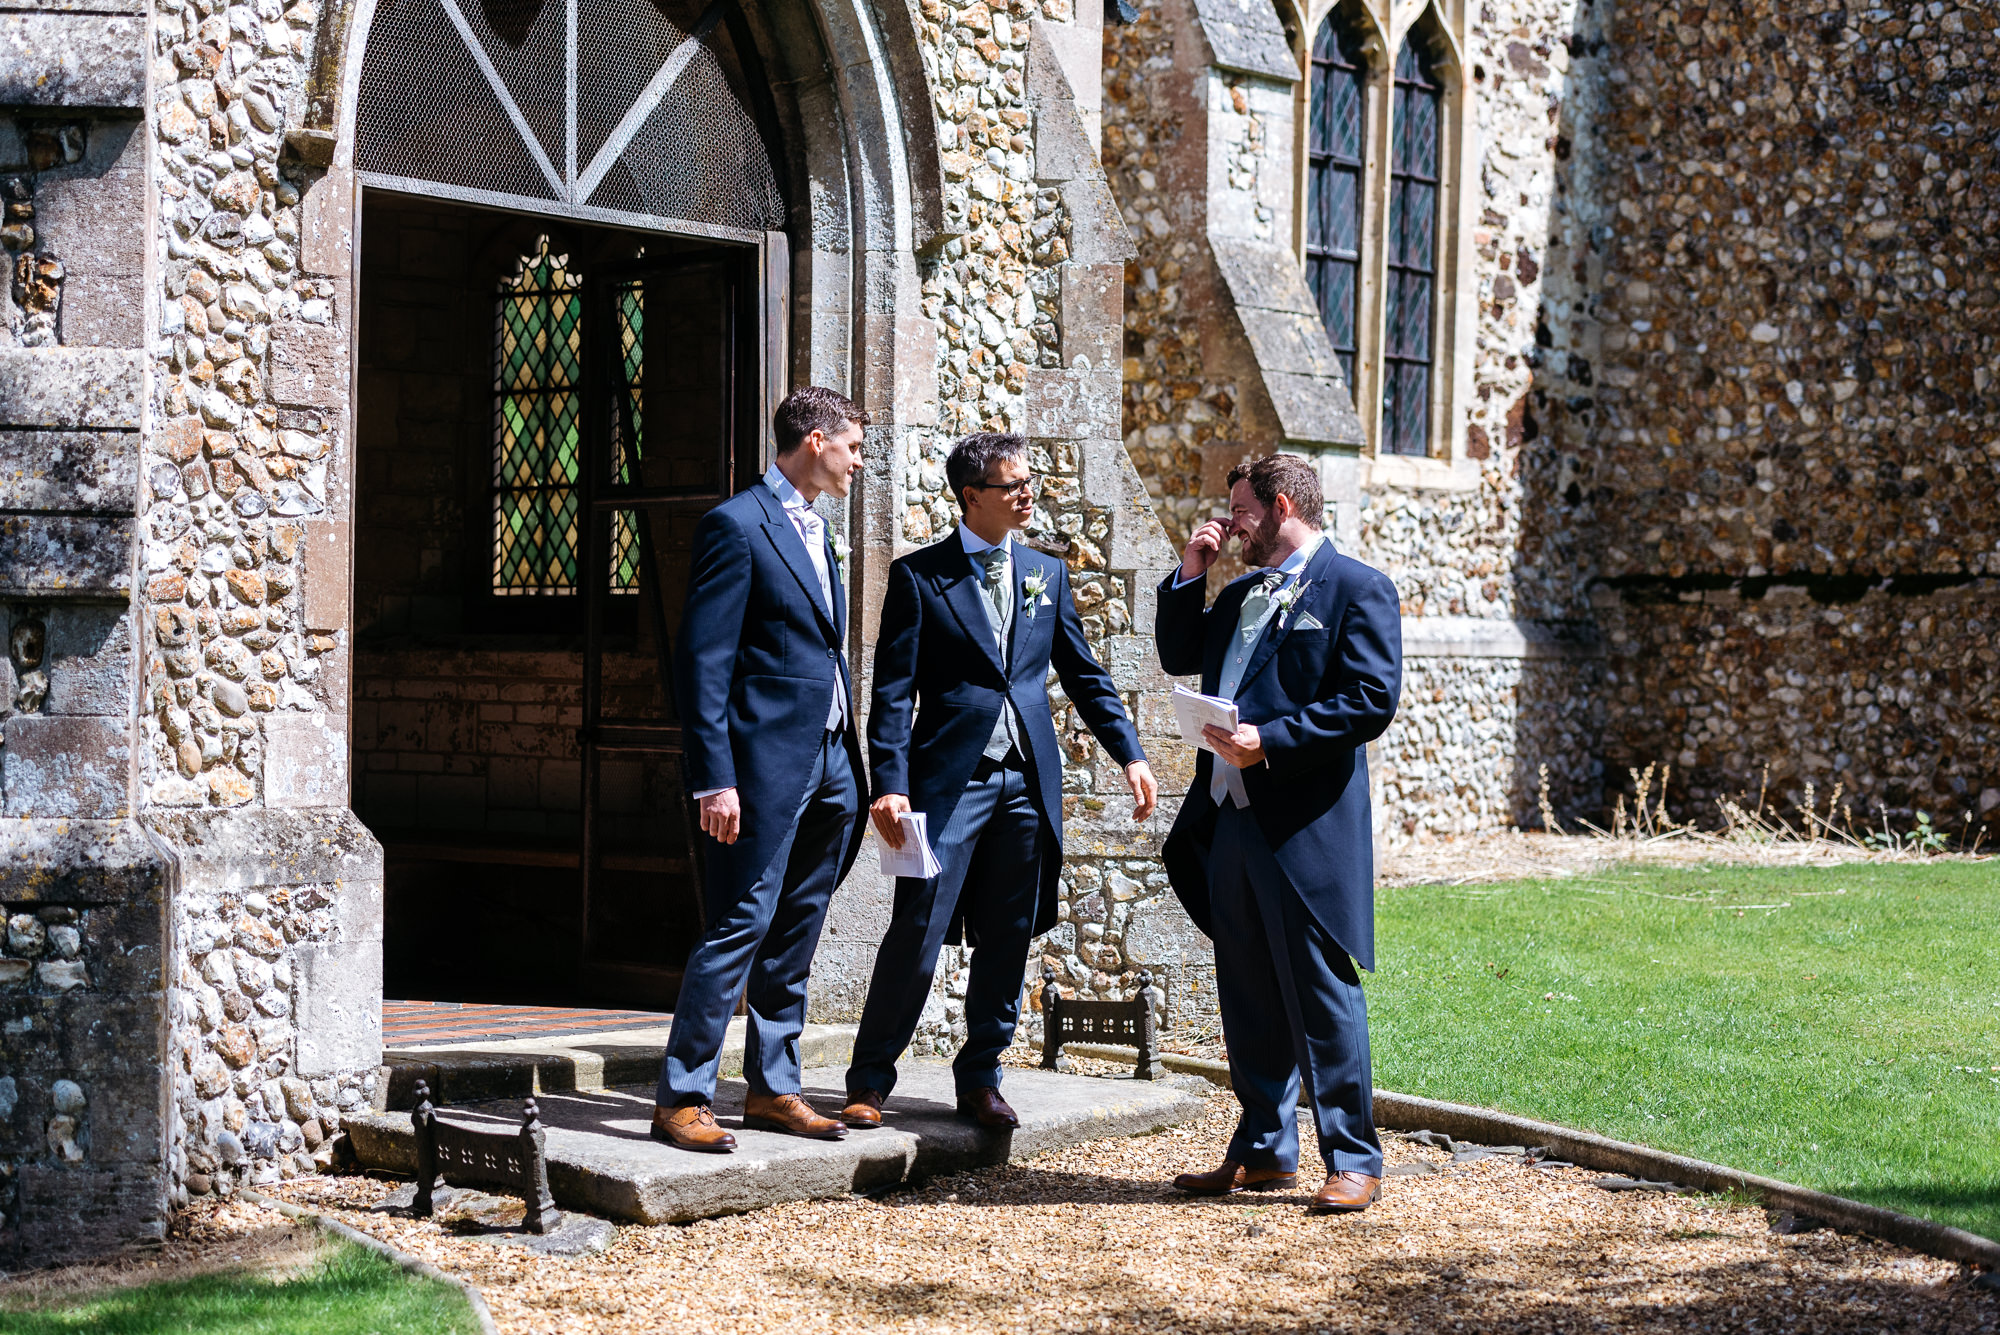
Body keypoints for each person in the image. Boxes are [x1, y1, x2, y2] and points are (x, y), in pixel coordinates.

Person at [843, 432, 1158, 1130]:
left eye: (1030, 481)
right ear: (971, 496)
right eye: (1013, 484)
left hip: (1027, 785)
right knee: (917, 929)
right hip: (948, 785)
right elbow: (892, 694)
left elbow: (1083, 674)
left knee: (1010, 932)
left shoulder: (1046, 572)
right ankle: (869, 1078)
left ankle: (980, 1075)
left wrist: (1130, 753)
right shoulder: (920, 577)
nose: (1028, 493)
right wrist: (888, 783)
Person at [1153, 453, 1401, 1212]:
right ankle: (1264, 1149)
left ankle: (1354, 1157)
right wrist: (1192, 568)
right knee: (1247, 989)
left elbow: (1370, 699)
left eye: (1242, 512)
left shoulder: (1358, 589)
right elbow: (1179, 652)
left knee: (1321, 994)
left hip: (1303, 828)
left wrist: (1274, 740)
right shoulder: (1236, 594)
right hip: (1228, 819)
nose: (1232, 525)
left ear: (1284, 503)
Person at [652, 386, 872, 1152]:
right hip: (762, 766)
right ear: (814, 440)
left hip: (835, 759)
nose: (858, 463)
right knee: (740, 920)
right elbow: (704, 662)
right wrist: (715, 777)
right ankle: (682, 1095)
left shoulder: (819, 532)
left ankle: (775, 1088)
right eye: (851, 447)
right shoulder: (736, 525)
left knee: (799, 925)